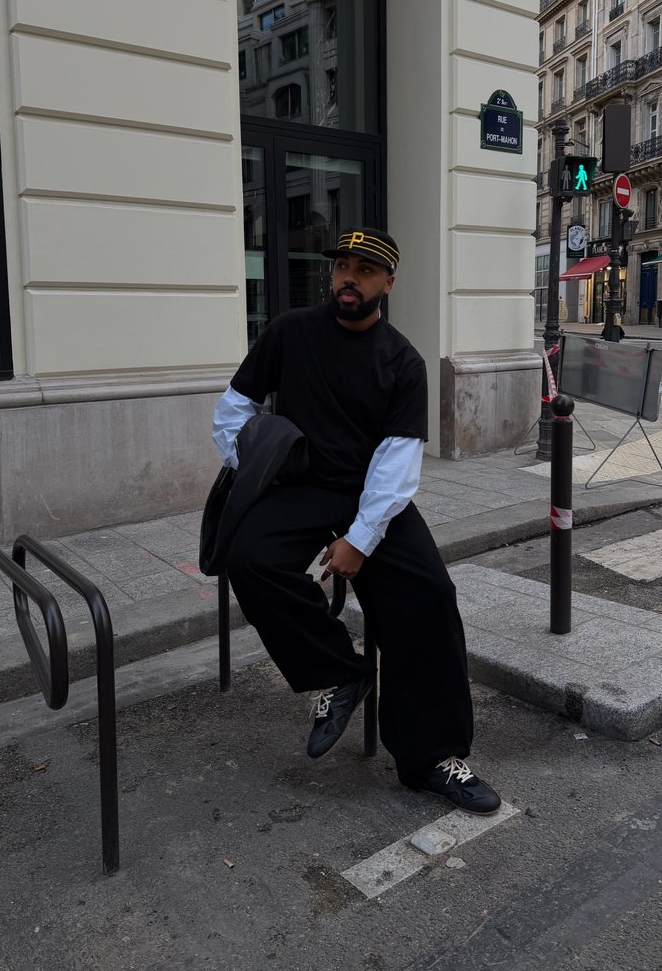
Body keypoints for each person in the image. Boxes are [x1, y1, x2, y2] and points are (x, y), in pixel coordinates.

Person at [212, 227, 501, 815]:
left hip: (372, 494)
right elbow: (232, 410)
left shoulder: (403, 362)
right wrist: (256, 462)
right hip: (300, 486)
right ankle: (341, 672)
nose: (350, 278)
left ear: (388, 284)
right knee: (250, 560)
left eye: (366, 270)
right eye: (343, 266)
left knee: (431, 598)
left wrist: (360, 540)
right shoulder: (290, 332)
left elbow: (396, 466)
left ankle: (432, 757)